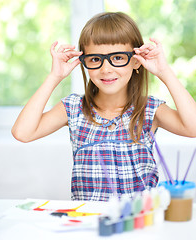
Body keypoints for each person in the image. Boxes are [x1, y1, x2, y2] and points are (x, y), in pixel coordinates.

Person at [12, 12, 196, 201]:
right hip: (89, 224)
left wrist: (164, 72)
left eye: (117, 58)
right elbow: (22, 133)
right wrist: (54, 77)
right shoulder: (74, 108)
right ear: (84, 63)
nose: (106, 69)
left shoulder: (149, 109)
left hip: (138, 223)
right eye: (95, 59)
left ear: (135, 60)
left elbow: (193, 127)